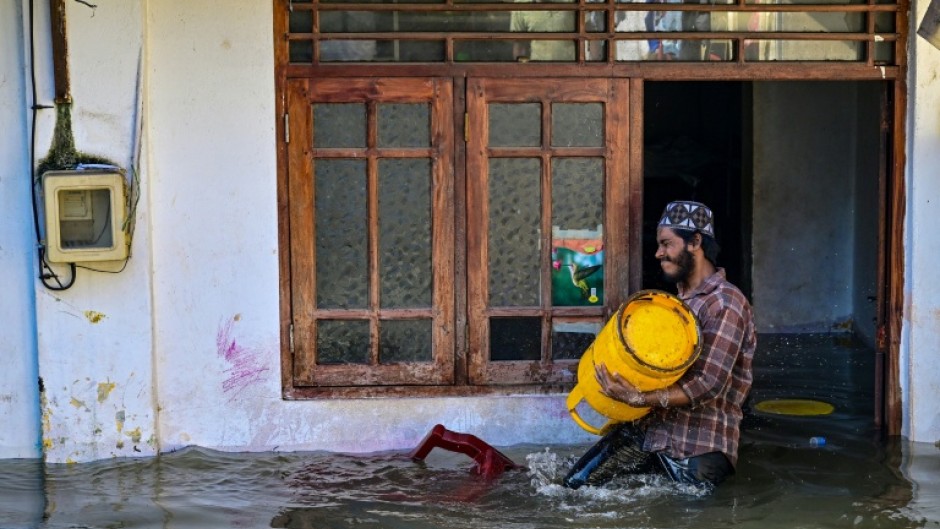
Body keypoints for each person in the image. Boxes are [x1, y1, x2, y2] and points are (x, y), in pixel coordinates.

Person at [564, 200, 757, 490]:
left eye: (666, 244)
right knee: (573, 488)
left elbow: (708, 384)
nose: (658, 253)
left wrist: (639, 397)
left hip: (698, 449)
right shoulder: (673, 306)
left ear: (694, 242)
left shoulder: (726, 302)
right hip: (651, 435)